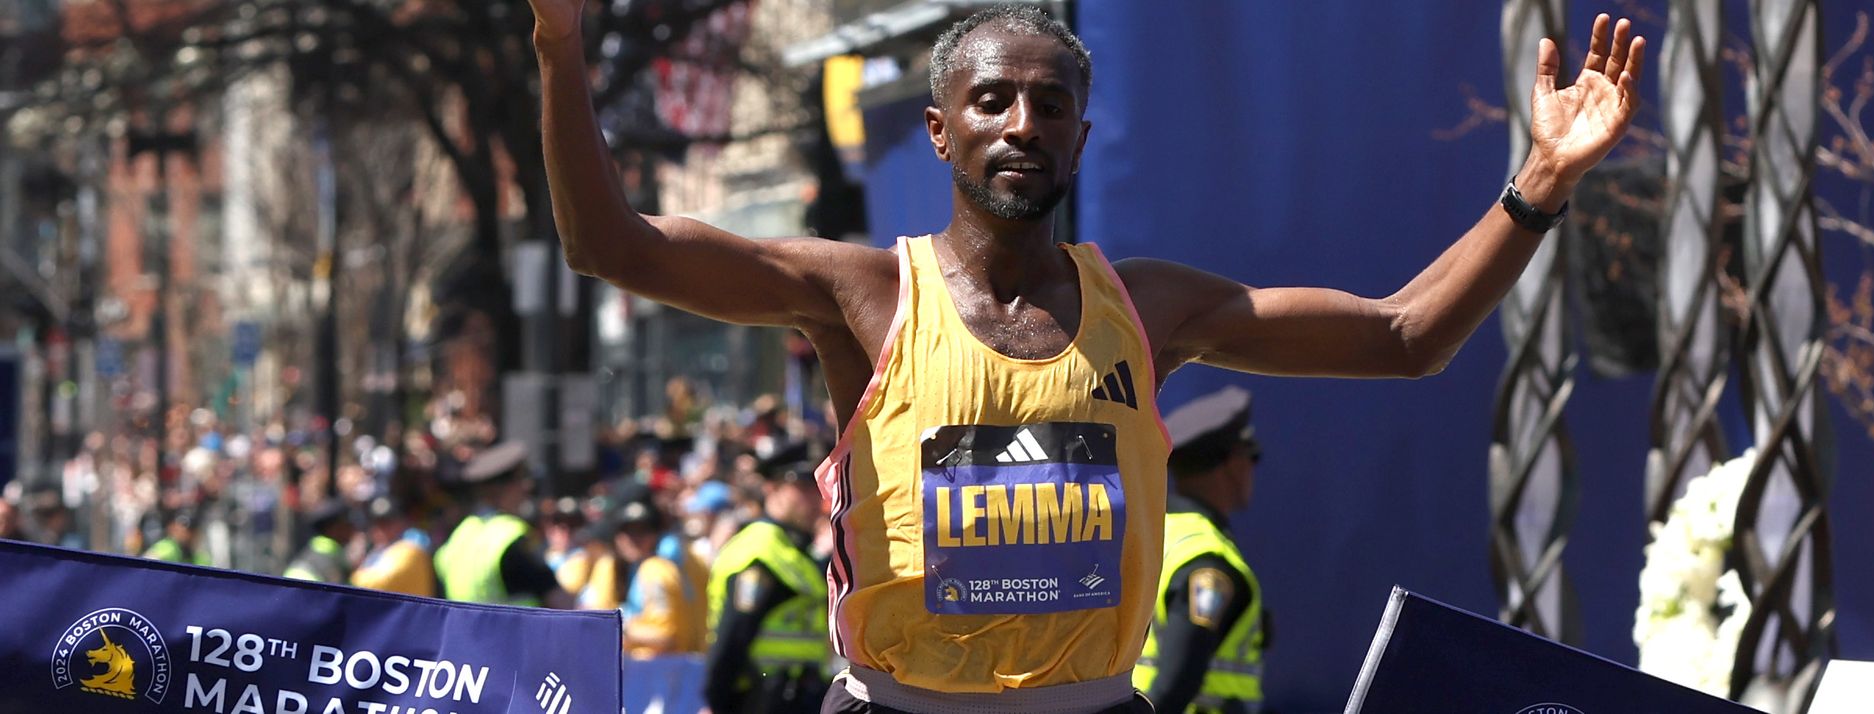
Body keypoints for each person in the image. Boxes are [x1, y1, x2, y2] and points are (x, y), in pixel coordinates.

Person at [527, 0, 1645, 706]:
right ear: (939, 130)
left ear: (1080, 133)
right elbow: (606, 245)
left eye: (1049, 103)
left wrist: (1536, 189)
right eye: (992, 99)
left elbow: (1403, 338)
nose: (1021, 122)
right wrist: (560, 41)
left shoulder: (1146, 309)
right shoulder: (859, 294)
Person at [1135, 388, 1267, 714]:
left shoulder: (1153, 534)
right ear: (1231, 463)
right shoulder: (1207, 563)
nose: (1252, 469)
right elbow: (1177, 682)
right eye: (1252, 455)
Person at [702, 447, 829, 714]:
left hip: (798, 696)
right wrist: (717, 701)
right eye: (801, 487)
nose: (813, 498)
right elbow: (733, 635)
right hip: (761, 699)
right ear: (772, 488)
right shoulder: (760, 550)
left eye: (815, 487)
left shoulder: (794, 547)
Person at [433, 441, 575, 608]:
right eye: (521, 478)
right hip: (516, 634)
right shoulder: (511, 536)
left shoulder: (459, 534)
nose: (527, 486)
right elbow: (561, 603)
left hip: (464, 634)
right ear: (498, 489)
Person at [581, 500, 710, 658]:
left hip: (666, 670)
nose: (633, 539)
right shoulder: (624, 568)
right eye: (627, 532)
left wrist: (619, 627)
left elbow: (665, 636)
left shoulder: (655, 569)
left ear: (654, 535)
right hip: (655, 668)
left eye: (642, 531)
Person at [351, 497, 439, 597]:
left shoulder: (413, 543)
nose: (382, 530)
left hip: (414, 610)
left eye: (388, 523)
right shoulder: (376, 552)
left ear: (401, 522)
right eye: (378, 524)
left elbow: (378, 585)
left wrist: (356, 575)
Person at [284, 502, 355, 582]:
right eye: (346, 525)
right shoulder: (333, 553)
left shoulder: (314, 548)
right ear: (334, 529)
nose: (352, 529)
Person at [142, 510, 211, 566]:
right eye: (179, 528)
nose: (182, 533)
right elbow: (147, 561)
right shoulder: (168, 546)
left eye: (187, 530)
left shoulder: (200, 556)